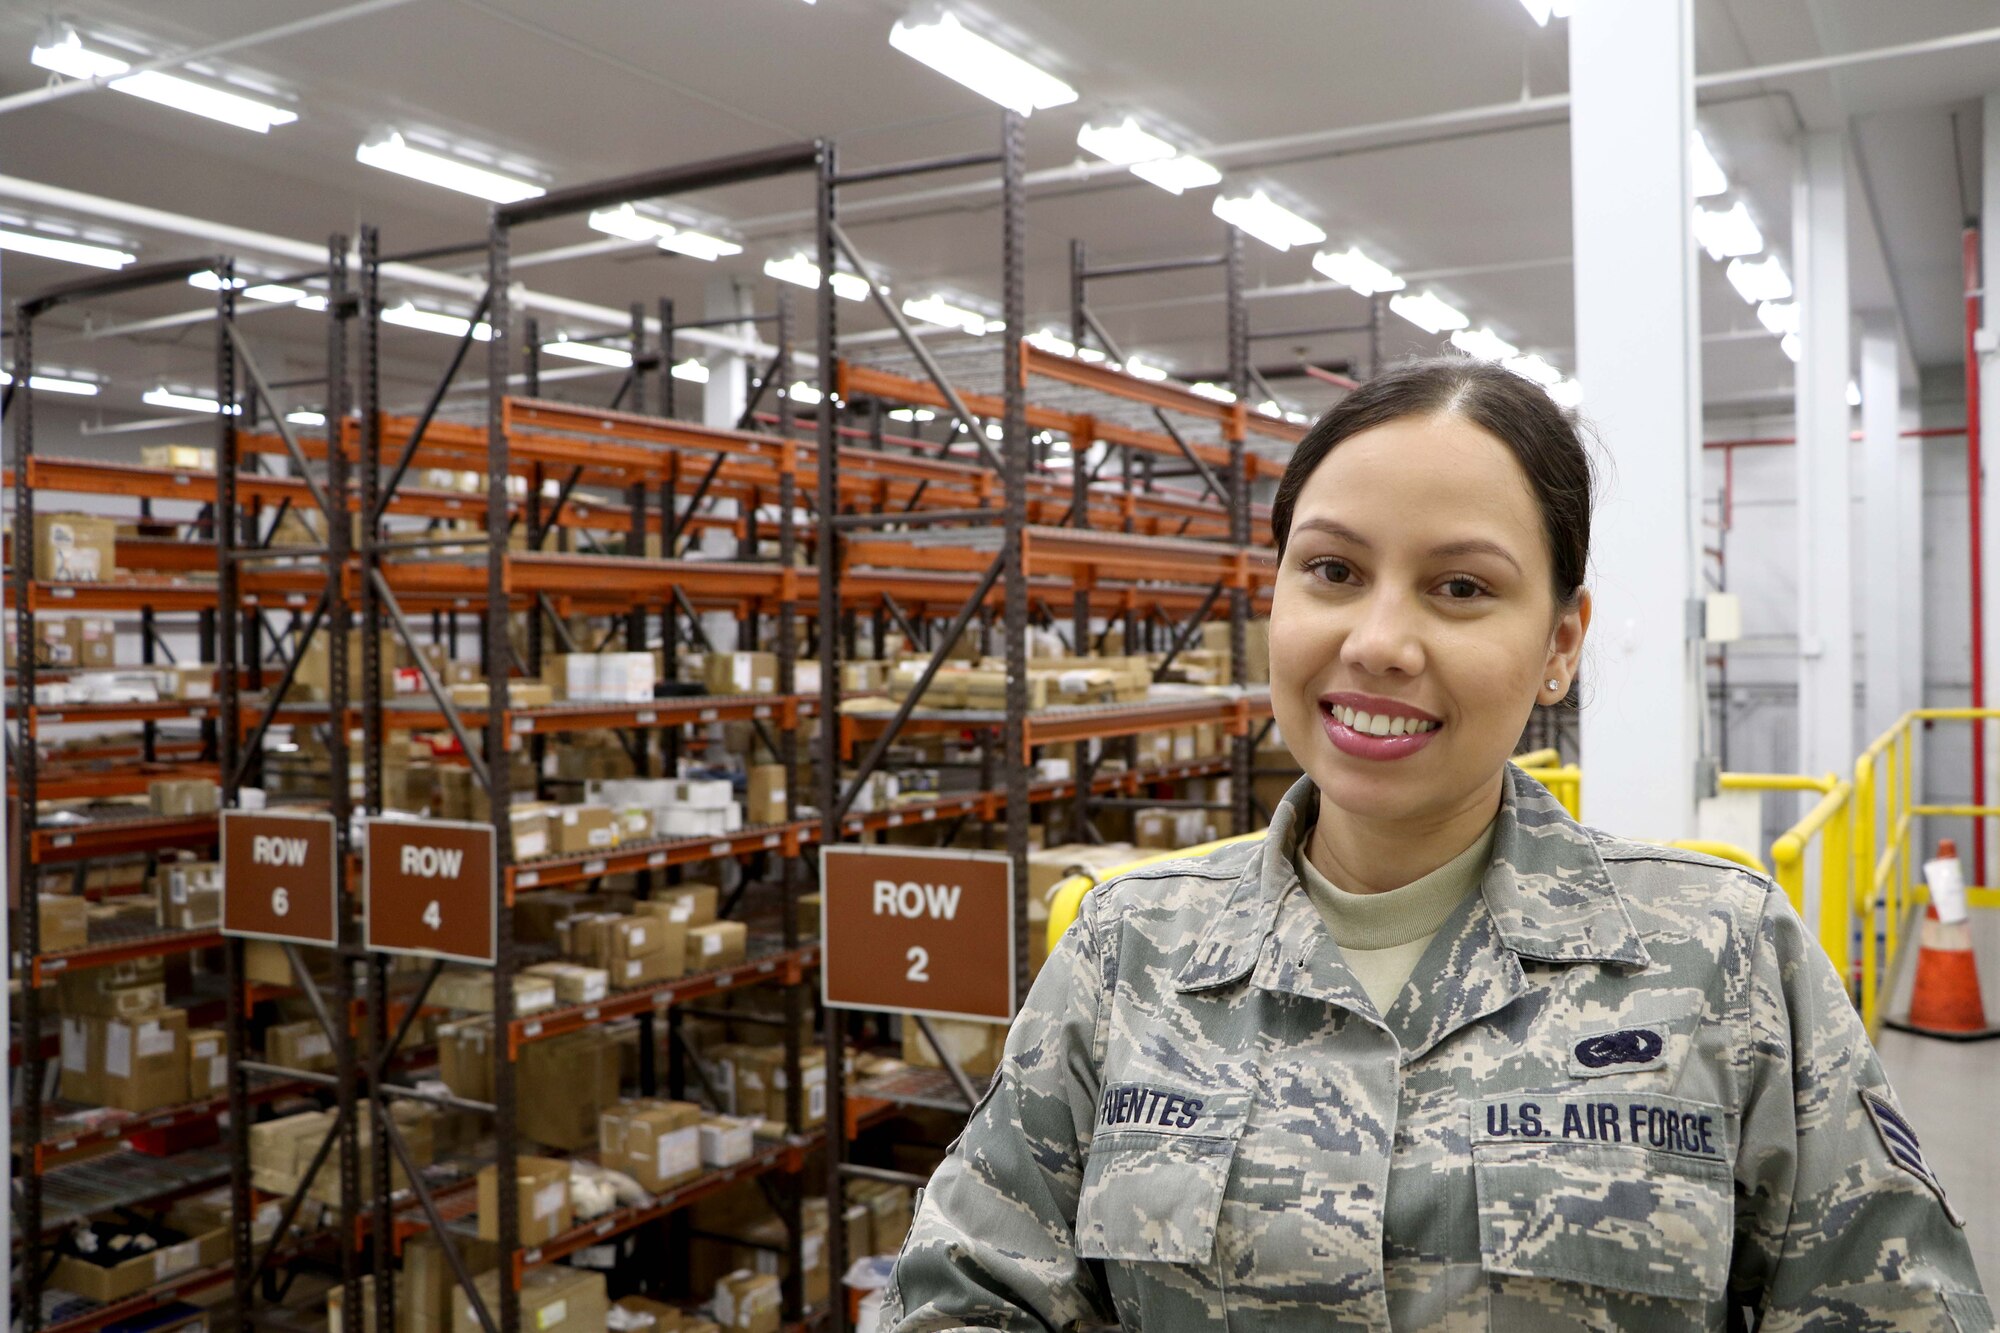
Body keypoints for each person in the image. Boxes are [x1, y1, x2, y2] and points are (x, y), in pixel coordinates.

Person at [881, 358, 1991, 1331]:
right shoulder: (1128, 947)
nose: (1376, 642)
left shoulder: (1722, 955)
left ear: (1559, 643)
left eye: (1459, 588)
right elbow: (958, 1294)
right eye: (1331, 571)